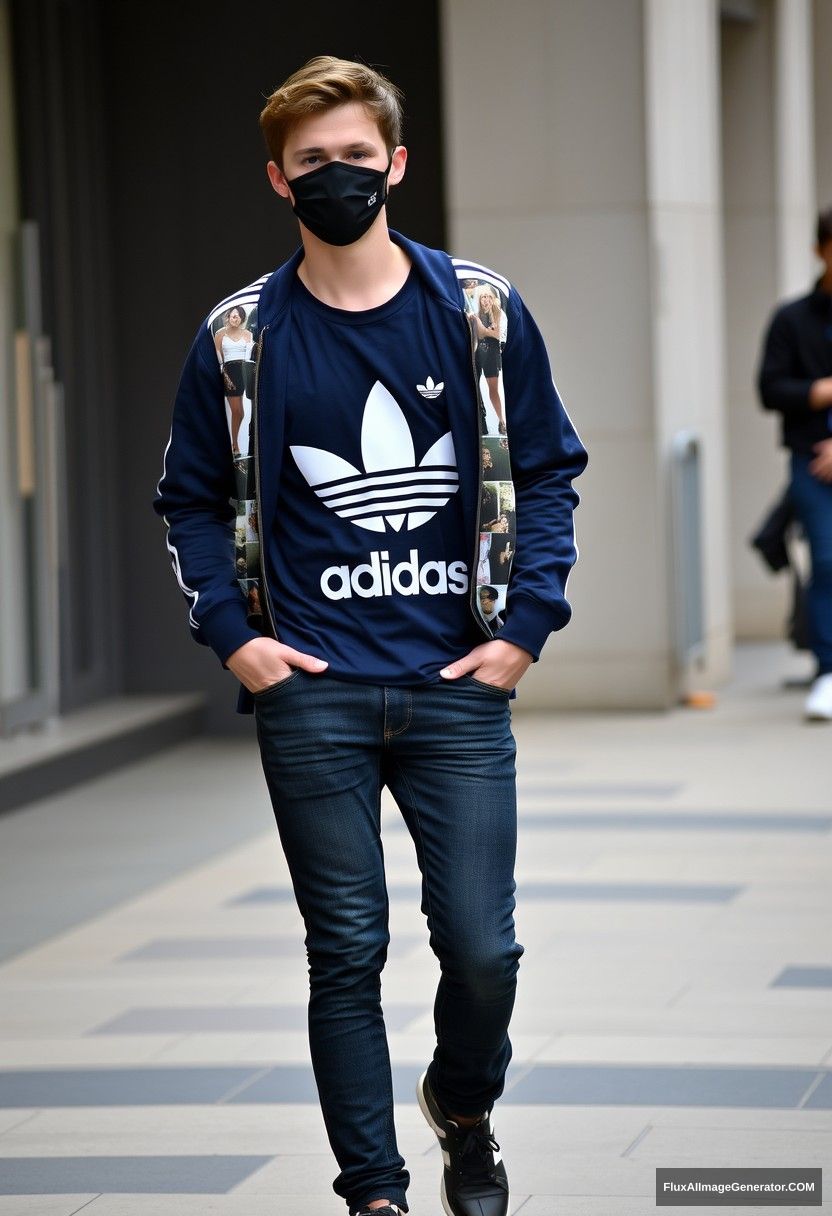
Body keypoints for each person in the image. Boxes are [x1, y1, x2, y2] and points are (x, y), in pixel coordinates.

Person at [154, 55, 587, 1216]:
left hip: (456, 683)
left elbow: (546, 472)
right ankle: (375, 1194)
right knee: (344, 952)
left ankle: (466, 1105)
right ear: (277, 180)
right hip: (313, 693)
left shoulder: (478, 311)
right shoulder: (241, 336)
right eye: (312, 164)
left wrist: (525, 630)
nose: (337, 177)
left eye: (356, 157)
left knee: (482, 949)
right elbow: (187, 498)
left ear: (396, 163)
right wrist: (233, 637)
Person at [758, 206, 832, 721]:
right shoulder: (792, 318)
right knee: (826, 561)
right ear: (821, 250)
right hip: (811, 464)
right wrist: (816, 392)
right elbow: (770, 388)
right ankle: (828, 670)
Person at [213, 305, 254, 457]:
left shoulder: (248, 334)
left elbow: (250, 354)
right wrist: (224, 375)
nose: (235, 318)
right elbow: (219, 356)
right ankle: (234, 445)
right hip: (229, 372)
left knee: (242, 412)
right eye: (233, 316)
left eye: (238, 316)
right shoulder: (220, 334)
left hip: (244, 371)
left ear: (242, 318)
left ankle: (236, 443)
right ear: (228, 316)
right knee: (236, 411)